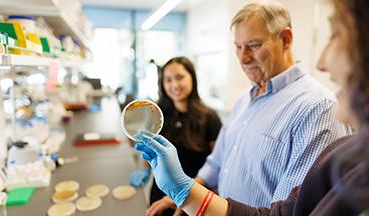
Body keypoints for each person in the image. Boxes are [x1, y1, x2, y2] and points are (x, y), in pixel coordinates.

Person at [134, 0, 369, 214]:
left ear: (285, 39)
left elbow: (286, 211)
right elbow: (216, 164)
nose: (243, 58)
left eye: (253, 45)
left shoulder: (317, 108)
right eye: (238, 47)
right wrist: (181, 194)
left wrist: (188, 195)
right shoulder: (245, 99)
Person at [130, 57, 222, 215]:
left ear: (192, 77)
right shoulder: (155, 114)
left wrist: (183, 194)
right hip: (160, 195)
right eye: (168, 80)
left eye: (180, 77)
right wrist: (145, 169)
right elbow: (150, 148)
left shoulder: (210, 118)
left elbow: (216, 164)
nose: (174, 85)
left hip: (194, 196)